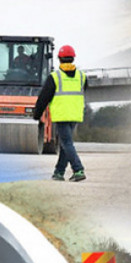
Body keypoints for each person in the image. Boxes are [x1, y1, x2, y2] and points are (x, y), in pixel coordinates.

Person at [32, 45, 87, 182]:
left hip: (62, 115)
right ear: (73, 58)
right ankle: (59, 172)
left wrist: (36, 114)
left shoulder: (55, 77)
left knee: (67, 143)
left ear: (59, 59)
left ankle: (78, 169)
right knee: (65, 144)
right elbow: (83, 90)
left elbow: (44, 97)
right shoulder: (82, 76)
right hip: (75, 114)